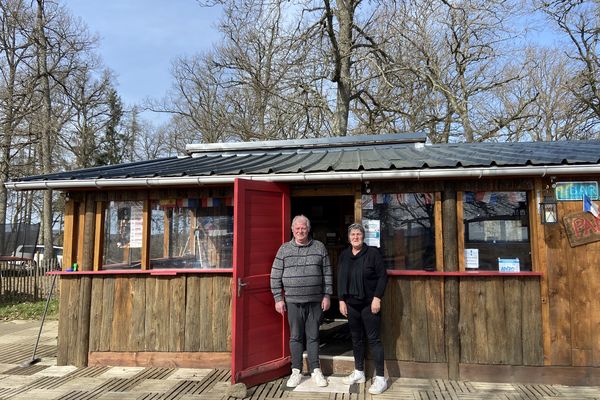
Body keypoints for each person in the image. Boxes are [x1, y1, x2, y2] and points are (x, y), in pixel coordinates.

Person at [270, 215, 333, 388]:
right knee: (296, 337)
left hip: (315, 301)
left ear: (308, 229)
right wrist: (278, 298)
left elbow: (327, 273)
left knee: (313, 337)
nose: (300, 231)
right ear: (292, 230)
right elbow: (275, 275)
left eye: (303, 228)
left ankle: (315, 370)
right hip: (292, 301)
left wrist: (327, 295)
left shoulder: (319, 247)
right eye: (297, 228)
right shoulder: (283, 250)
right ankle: (296, 371)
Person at [338, 223, 389, 395]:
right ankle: (359, 372)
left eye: (358, 234)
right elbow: (340, 277)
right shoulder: (344, 255)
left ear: (363, 236)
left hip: (369, 304)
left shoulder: (372, 253)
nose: (355, 237)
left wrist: (377, 298)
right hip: (351, 305)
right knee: (356, 339)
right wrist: (341, 300)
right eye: (352, 234)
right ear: (348, 237)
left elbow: (383, 276)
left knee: (374, 340)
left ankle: (381, 379)